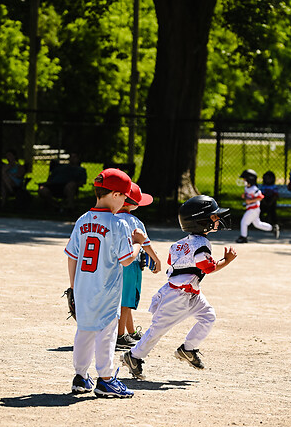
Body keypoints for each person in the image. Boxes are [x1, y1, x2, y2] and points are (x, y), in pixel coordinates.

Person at [120, 195, 237, 380]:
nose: (217, 220)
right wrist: (227, 261)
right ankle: (133, 356)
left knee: (208, 316)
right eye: (214, 217)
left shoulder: (180, 243)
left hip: (189, 293)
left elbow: (171, 261)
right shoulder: (201, 245)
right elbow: (208, 267)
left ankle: (188, 349)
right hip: (177, 296)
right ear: (201, 221)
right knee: (158, 330)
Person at [64, 168, 147, 398]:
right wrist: (138, 242)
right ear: (115, 195)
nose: (125, 201)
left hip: (83, 289)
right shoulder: (118, 223)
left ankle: (80, 376)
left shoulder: (82, 220)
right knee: (106, 333)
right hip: (107, 290)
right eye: (124, 196)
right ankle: (106, 379)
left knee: (84, 331)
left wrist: (73, 288)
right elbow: (127, 258)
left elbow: (72, 256)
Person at [115, 182, 161, 350]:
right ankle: (120, 336)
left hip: (114, 265)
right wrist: (156, 260)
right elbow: (146, 244)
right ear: (132, 204)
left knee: (123, 300)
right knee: (127, 301)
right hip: (131, 265)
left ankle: (131, 332)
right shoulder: (135, 221)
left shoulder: (113, 218)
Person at [236, 169, 280, 243]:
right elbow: (249, 196)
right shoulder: (247, 188)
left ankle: (243, 237)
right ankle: (272, 228)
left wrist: (250, 201)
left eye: (245, 179)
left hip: (253, 209)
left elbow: (260, 197)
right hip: (251, 208)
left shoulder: (254, 189)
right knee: (257, 224)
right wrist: (245, 197)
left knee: (244, 222)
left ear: (250, 180)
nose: (243, 180)